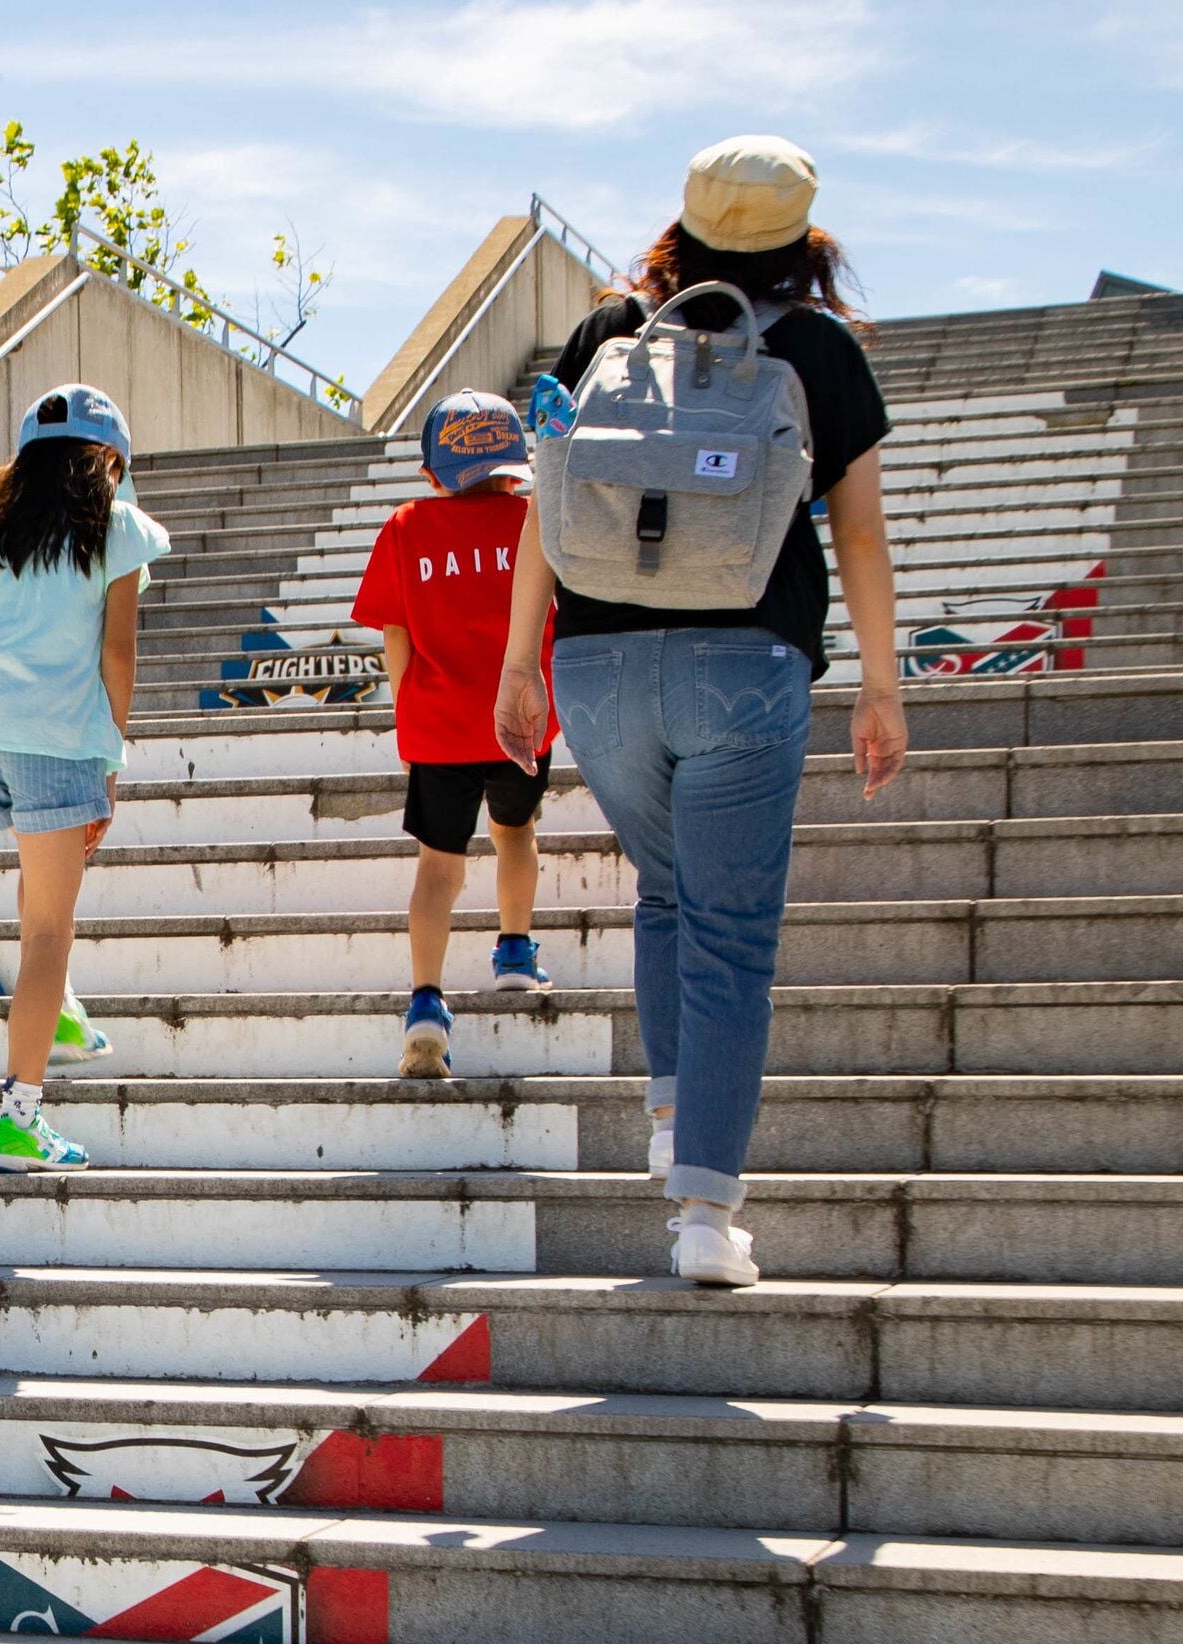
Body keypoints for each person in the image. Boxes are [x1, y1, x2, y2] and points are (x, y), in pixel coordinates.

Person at [494, 134, 908, 1287]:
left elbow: (544, 506)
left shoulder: (608, 336)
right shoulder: (818, 349)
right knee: (731, 932)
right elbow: (861, 532)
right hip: (746, 662)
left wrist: (519, 666)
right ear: (802, 237)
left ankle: (678, 1122)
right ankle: (706, 1216)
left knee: (669, 893)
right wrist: (882, 684)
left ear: (682, 223)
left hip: (600, 669)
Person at [0, 382, 170, 1171]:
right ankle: (18, 1120)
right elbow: (118, 655)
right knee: (49, 931)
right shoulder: (117, 527)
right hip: (50, 733)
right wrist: (110, 758)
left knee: (41, 884)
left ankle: (59, 1013)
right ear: (108, 460)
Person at [353, 388, 556, 1082]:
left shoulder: (407, 527)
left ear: (433, 472)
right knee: (516, 834)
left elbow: (396, 637)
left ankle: (426, 1004)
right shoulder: (536, 519)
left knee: (438, 867)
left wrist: (408, 715)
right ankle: (515, 951)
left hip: (439, 724)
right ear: (516, 464)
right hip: (521, 718)